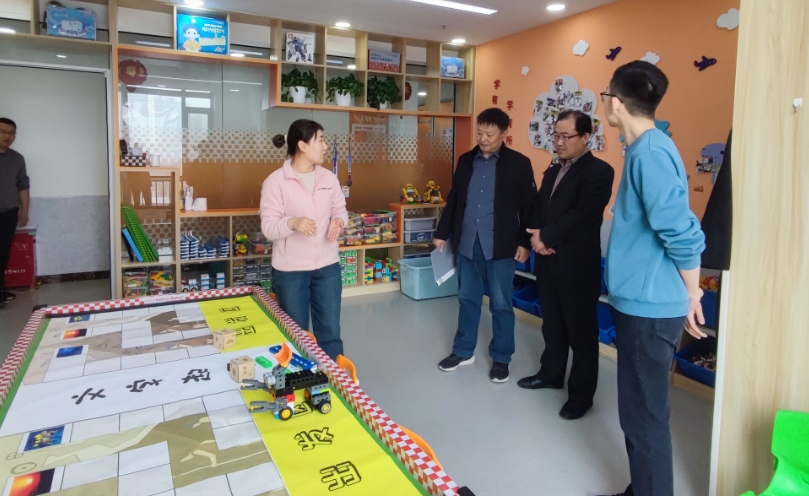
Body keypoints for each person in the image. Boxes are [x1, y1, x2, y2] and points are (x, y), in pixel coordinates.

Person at [598, 61, 706, 496]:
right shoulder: (645, 147)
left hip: (650, 308)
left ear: (615, 103)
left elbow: (681, 230)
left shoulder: (650, 153)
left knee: (645, 416)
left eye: (605, 96)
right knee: (637, 412)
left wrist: (693, 292)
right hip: (641, 303)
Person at [517, 110, 614, 420]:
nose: (558, 142)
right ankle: (551, 374)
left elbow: (583, 215)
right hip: (547, 263)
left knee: (582, 334)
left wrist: (545, 237)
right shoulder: (553, 168)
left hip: (577, 267)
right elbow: (539, 206)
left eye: (565, 136)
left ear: (586, 137)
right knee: (553, 325)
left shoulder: (599, 172)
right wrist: (534, 237)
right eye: (555, 136)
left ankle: (581, 397)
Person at [434, 108, 535, 383]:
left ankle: (501, 358)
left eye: (490, 134)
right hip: (467, 244)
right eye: (479, 132)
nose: (483, 138)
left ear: (504, 134)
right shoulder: (466, 160)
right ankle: (463, 351)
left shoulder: (518, 164)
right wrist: (442, 233)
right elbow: (455, 199)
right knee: (467, 299)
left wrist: (525, 243)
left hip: (499, 246)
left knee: (501, 305)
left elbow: (529, 207)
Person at [260, 119, 348, 360]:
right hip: (291, 272)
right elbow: (268, 228)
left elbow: (340, 210)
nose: (325, 146)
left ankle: (331, 378)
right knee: (295, 334)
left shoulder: (329, 178)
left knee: (330, 333)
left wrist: (338, 221)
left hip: (328, 267)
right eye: (320, 140)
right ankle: (299, 378)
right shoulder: (275, 182)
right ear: (302, 145)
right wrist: (292, 222)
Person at [0, 118, 29, 305]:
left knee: (3, 252)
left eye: (11, 133)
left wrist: (24, 211)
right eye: (3, 132)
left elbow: (23, 186)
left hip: (9, 212)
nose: (7, 136)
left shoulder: (17, 158)